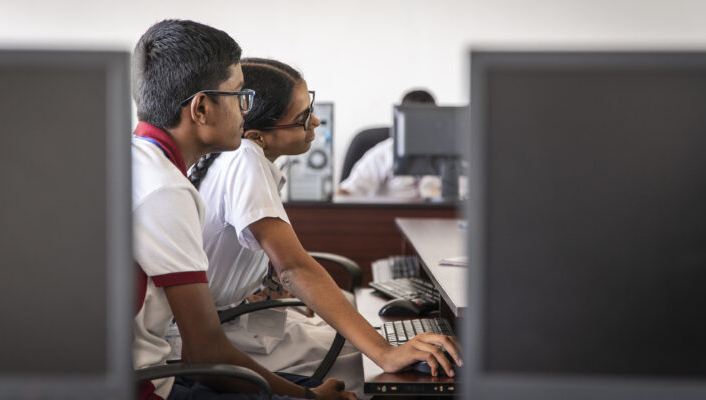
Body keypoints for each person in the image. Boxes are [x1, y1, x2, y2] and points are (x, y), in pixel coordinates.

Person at [189, 59, 462, 390]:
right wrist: (386, 354)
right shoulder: (245, 159)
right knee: (370, 366)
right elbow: (294, 267)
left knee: (358, 318)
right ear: (259, 135)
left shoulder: (237, 156)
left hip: (241, 323)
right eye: (302, 118)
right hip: (227, 342)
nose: (316, 121)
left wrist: (266, 283)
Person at [131, 20, 353, 400]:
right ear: (201, 108)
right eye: (238, 96)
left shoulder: (140, 162)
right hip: (147, 386)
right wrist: (308, 399)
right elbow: (206, 351)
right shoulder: (166, 190)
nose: (244, 111)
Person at [337, 90, 440, 198]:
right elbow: (348, 191)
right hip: (390, 213)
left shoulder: (445, 155)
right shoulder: (383, 153)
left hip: (433, 213)